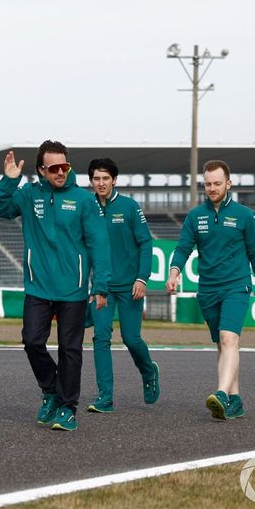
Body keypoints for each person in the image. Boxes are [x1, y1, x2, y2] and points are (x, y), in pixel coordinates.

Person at [0, 140, 111, 431]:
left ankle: (68, 408)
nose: (60, 172)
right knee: (32, 341)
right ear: (41, 170)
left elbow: (99, 243)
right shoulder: (29, 194)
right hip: (38, 286)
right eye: (54, 168)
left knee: (71, 349)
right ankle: (51, 390)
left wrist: (101, 285)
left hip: (74, 289)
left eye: (64, 166)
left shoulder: (83, 200)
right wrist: (8, 181)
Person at [165, 159, 255, 420]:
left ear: (229, 183)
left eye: (217, 183)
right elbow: (182, 249)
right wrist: (174, 272)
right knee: (222, 345)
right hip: (208, 289)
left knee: (229, 339)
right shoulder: (195, 216)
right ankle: (235, 400)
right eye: (208, 184)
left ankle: (221, 394)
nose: (212, 188)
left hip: (236, 286)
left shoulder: (245, 216)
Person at [86, 158, 159, 413]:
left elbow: (146, 244)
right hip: (101, 288)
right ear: (91, 181)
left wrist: (142, 278)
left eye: (106, 178)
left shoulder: (129, 207)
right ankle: (105, 397)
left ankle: (148, 370)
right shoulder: (87, 207)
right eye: (96, 178)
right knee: (100, 337)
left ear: (114, 180)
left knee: (131, 338)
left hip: (131, 286)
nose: (101, 183)